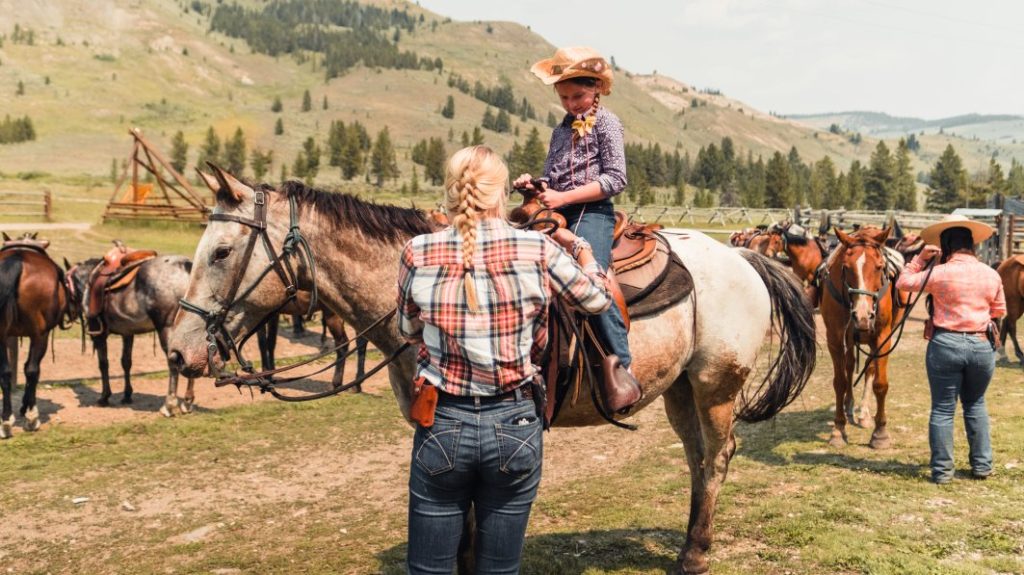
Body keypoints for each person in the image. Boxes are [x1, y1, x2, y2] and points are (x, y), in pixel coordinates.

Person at [397, 146, 611, 573]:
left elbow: (407, 329)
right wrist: (582, 248)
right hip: (515, 421)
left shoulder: (417, 251)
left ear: (453, 190)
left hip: (443, 421)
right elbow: (597, 300)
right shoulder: (538, 248)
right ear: (499, 196)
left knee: (428, 567)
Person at [512, 46, 635, 374]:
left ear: (596, 88)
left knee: (593, 279)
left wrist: (564, 198)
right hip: (557, 212)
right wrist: (533, 186)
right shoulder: (560, 131)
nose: (570, 104)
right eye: (564, 98)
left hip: (594, 212)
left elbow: (616, 178)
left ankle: (623, 368)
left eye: (577, 96)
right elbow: (550, 178)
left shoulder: (608, 123)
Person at [896, 214, 1006, 484]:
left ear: (945, 246)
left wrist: (920, 258)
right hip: (981, 345)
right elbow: (999, 310)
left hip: (946, 343)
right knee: (976, 404)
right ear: (972, 245)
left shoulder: (938, 272)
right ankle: (982, 465)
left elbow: (903, 283)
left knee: (943, 409)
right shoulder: (991, 274)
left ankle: (943, 471)